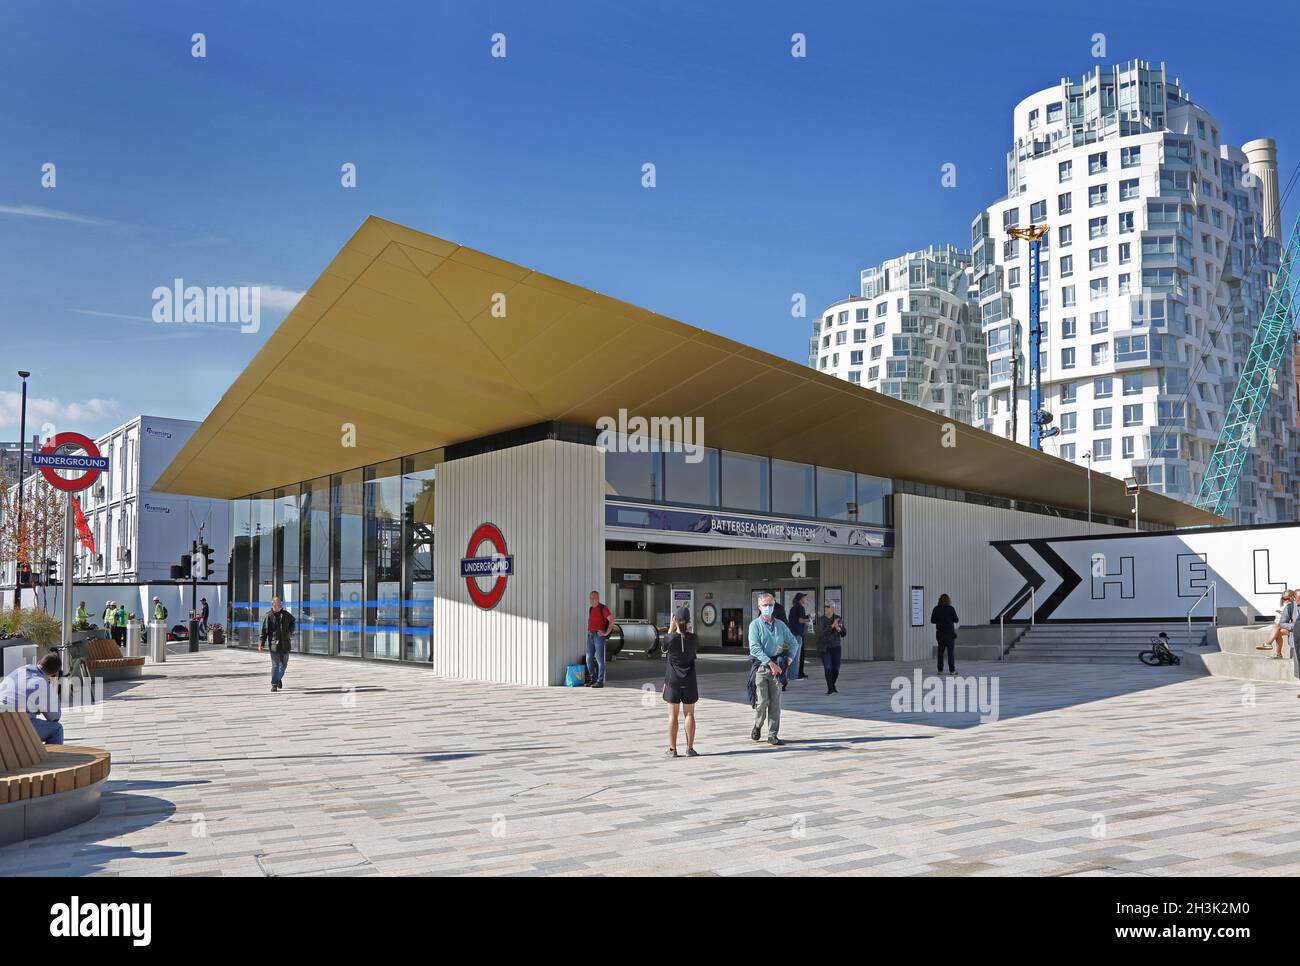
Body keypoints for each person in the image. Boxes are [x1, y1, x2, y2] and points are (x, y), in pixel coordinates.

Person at [748, 592, 799, 746]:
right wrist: (770, 663)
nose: (768, 608)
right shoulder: (754, 625)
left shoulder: (781, 625)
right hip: (762, 668)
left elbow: (793, 642)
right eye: (765, 605)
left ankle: (773, 734)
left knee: (775, 703)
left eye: (770, 605)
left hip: (778, 670)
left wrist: (788, 660)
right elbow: (754, 648)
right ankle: (757, 725)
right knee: (763, 702)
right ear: (759, 606)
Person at [0, 652, 64, 744]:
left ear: (38, 662)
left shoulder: (20, 670)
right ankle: (54, 758)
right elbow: (54, 717)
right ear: (52, 674)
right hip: (15, 728)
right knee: (57, 729)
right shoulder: (42, 683)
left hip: (3, 723)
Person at [661, 606, 700, 758]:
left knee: (673, 716)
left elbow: (664, 648)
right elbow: (693, 646)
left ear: (675, 620)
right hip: (689, 680)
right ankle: (690, 748)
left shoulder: (669, 638)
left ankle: (672, 749)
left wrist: (671, 628)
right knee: (689, 714)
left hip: (673, 681)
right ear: (689, 621)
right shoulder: (694, 638)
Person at [259, 596, 296, 692]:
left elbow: (293, 621)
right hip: (274, 644)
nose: (279, 604)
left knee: (284, 665)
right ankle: (274, 684)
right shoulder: (269, 616)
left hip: (285, 644)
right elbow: (264, 631)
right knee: (275, 665)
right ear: (272, 604)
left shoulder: (286, 614)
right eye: (277, 603)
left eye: (280, 603)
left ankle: (278, 678)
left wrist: (290, 631)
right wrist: (261, 644)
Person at [815, 601, 846, 694]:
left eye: (827, 607)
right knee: (828, 667)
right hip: (824, 647)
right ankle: (830, 688)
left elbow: (844, 633)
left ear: (833, 608)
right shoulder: (821, 620)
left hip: (836, 646)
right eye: (824, 607)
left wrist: (838, 629)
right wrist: (832, 625)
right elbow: (822, 634)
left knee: (836, 668)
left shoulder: (838, 618)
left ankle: (832, 685)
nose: (825, 608)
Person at [584, 591, 613, 689]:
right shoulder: (591, 608)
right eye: (590, 598)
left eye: (593, 598)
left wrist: (606, 632)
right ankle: (593, 679)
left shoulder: (603, 608)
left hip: (599, 636)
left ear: (597, 598)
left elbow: (612, 619)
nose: (591, 600)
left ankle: (600, 681)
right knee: (588, 658)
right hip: (590, 635)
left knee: (600, 659)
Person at [931, 593, 959, 676]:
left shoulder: (936, 609)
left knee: (940, 652)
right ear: (948, 600)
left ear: (939, 600)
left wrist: (939, 620)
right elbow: (956, 620)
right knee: (950, 652)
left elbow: (932, 620)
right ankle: (952, 671)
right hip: (950, 634)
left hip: (940, 634)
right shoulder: (951, 609)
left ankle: (940, 670)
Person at [1261, 590, 1293, 657]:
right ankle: (1278, 654)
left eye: (1288, 598)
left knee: (1276, 627)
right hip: (1286, 626)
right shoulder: (1283, 606)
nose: (1286, 600)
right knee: (1277, 632)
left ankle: (1268, 643)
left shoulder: (1294, 606)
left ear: (1292, 596)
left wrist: (1285, 615)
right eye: (1284, 599)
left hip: (1293, 627)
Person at [787, 593, 811, 679]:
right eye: (804, 598)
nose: (806, 599)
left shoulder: (793, 607)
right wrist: (808, 619)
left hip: (792, 633)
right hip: (797, 633)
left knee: (792, 655)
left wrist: (805, 617)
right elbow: (800, 620)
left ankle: (790, 675)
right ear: (801, 599)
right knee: (796, 656)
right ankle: (794, 676)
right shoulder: (800, 607)